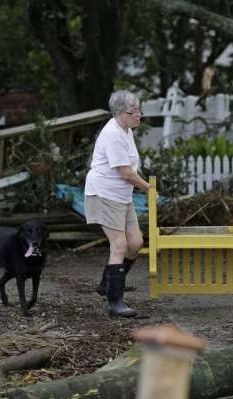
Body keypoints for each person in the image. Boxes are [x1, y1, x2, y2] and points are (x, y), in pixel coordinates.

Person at [84, 90, 151, 317]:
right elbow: (124, 172)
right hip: (104, 193)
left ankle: (107, 283)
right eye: (134, 111)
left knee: (135, 243)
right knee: (119, 245)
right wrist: (148, 187)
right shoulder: (112, 133)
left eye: (139, 110)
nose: (139, 115)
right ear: (121, 113)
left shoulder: (127, 130)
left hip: (122, 195)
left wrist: (140, 185)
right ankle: (115, 302)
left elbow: (130, 167)